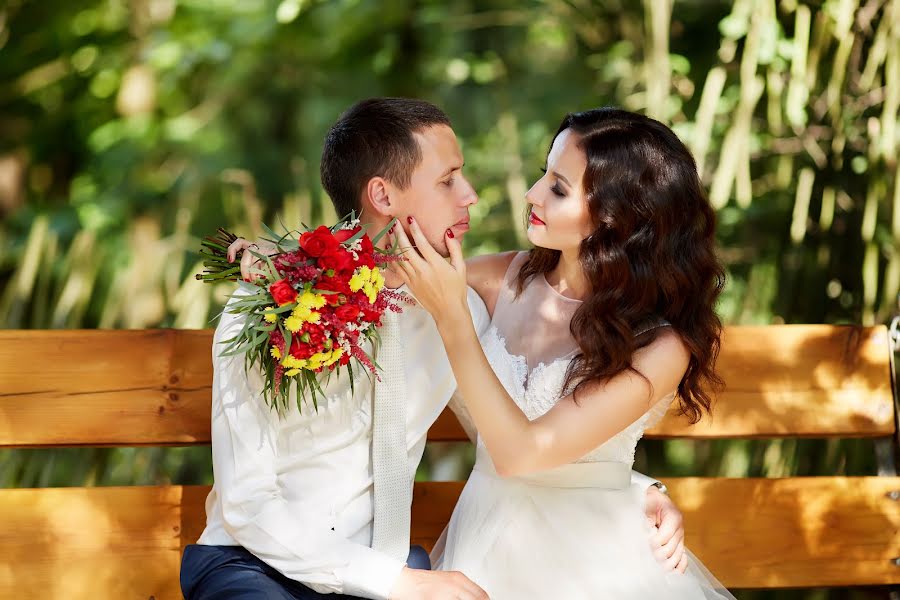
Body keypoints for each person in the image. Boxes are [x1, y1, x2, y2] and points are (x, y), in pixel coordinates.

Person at [181, 98, 688, 600]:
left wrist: (628, 486)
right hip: (260, 564)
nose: (473, 196)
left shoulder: (461, 304)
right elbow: (248, 504)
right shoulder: (272, 307)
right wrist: (289, 261)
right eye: (448, 181)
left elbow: (526, 431)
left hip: (414, 565)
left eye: (556, 187)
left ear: (616, 218)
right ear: (383, 194)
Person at [392, 107, 736, 598]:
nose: (532, 195)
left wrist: (453, 319)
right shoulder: (505, 279)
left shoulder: (659, 346)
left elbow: (522, 454)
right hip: (484, 541)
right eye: (543, 176)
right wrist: (272, 260)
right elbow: (373, 268)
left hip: (595, 567)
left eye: (558, 188)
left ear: (617, 219)